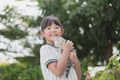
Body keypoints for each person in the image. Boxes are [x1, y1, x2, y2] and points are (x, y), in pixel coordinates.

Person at [40, 15, 81, 80]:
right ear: (42, 33)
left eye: (56, 27)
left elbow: (78, 77)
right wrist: (66, 51)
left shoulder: (65, 48)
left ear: (61, 31)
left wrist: (75, 59)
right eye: (49, 28)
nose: (53, 30)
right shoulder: (45, 49)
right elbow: (58, 72)